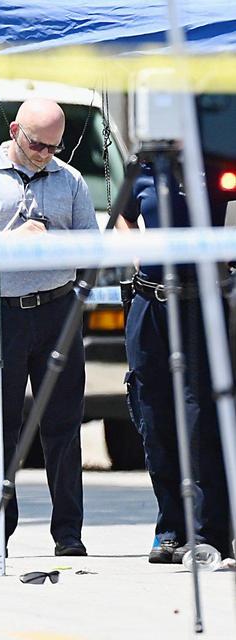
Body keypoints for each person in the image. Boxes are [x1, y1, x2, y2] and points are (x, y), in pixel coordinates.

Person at [0, 97, 97, 559]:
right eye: (36, 144)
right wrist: (7, 242)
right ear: (15, 130)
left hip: (57, 311)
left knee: (63, 425)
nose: (44, 154)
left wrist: (55, 243)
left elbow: (91, 247)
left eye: (54, 147)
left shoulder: (70, 180)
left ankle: (68, 534)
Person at [118, 159, 233, 562]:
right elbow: (123, 217)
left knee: (200, 420)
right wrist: (137, 254)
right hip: (149, 302)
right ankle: (170, 528)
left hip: (201, 302)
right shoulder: (143, 169)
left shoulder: (218, 163)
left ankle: (211, 531)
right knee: (153, 417)